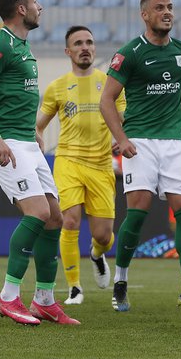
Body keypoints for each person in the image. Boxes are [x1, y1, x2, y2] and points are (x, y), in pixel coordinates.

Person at [0, 0, 79, 325]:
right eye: (35, 0)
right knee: (38, 213)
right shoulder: (0, 43)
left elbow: (13, 98)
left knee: (55, 217)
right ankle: (8, 296)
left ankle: (44, 299)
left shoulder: (23, 47)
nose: (40, 6)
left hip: (25, 143)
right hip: (6, 144)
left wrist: (32, 134)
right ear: (21, 9)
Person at [100, 0, 181, 316]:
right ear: (145, 15)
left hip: (173, 143)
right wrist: (121, 138)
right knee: (137, 214)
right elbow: (106, 99)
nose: (167, 12)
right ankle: (121, 280)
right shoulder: (130, 53)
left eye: (169, 7)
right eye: (159, 8)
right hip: (139, 141)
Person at [36, 25, 126, 305]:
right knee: (69, 220)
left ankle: (97, 255)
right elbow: (39, 126)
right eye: (78, 43)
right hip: (68, 161)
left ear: (95, 48)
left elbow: (125, 119)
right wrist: (36, 139)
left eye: (89, 42)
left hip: (101, 165)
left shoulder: (109, 83)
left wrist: (122, 137)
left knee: (104, 235)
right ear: (68, 51)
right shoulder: (57, 88)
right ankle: (74, 287)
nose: (84, 47)